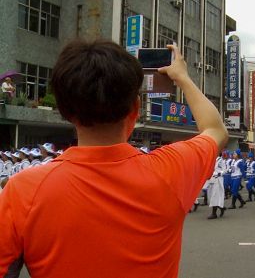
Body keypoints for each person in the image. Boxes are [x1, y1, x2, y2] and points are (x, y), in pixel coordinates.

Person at [0, 40, 228, 277]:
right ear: (135, 108)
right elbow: (216, 130)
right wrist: (182, 77)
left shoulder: (22, 191)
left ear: (65, 111)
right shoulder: (172, 169)